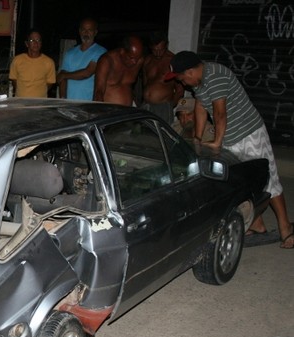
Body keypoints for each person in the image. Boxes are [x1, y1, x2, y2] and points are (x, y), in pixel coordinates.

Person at [166, 51, 294, 249]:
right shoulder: (199, 81)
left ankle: (286, 229)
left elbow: (219, 112)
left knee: (269, 180)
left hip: (249, 132)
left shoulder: (215, 75)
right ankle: (257, 225)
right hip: (230, 137)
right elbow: (201, 108)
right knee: (243, 181)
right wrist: (198, 139)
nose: (181, 82)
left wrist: (217, 142)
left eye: (181, 77)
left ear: (190, 71)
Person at [56, 18, 106, 100]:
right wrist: (63, 99)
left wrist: (65, 75)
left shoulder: (101, 52)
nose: (86, 33)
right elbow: (62, 79)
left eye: (89, 30)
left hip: (89, 104)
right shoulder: (70, 53)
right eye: (83, 29)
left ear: (95, 32)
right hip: (69, 104)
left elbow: (87, 73)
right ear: (79, 31)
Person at [141, 32, 182, 124]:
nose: (158, 53)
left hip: (163, 107)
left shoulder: (173, 61)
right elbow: (145, 83)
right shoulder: (148, 60)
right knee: (144, 135)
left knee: (162, 135)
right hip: (147, 106)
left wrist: (169, 106)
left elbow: (180, 90)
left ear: (166, 45)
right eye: (155, 50)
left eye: (161, 49)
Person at [93, 35, 145, 106]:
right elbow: (98, 91)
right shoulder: (107, 61)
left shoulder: (139, 61)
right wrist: (99, 111)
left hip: (129, 110)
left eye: (137, 58)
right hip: (110, 111)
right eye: (131, 58)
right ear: (122, 51)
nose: (134, 62)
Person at [9, 29, 56, 98]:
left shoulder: (49, 62)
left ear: (41, 43)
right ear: (26, 43)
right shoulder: (17, 60)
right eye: (32, 40)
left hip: (39, 104)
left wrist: (38, 92)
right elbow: (14, 80)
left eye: (38, 40)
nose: (35, 43)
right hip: (20, 103)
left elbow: (50, 83)